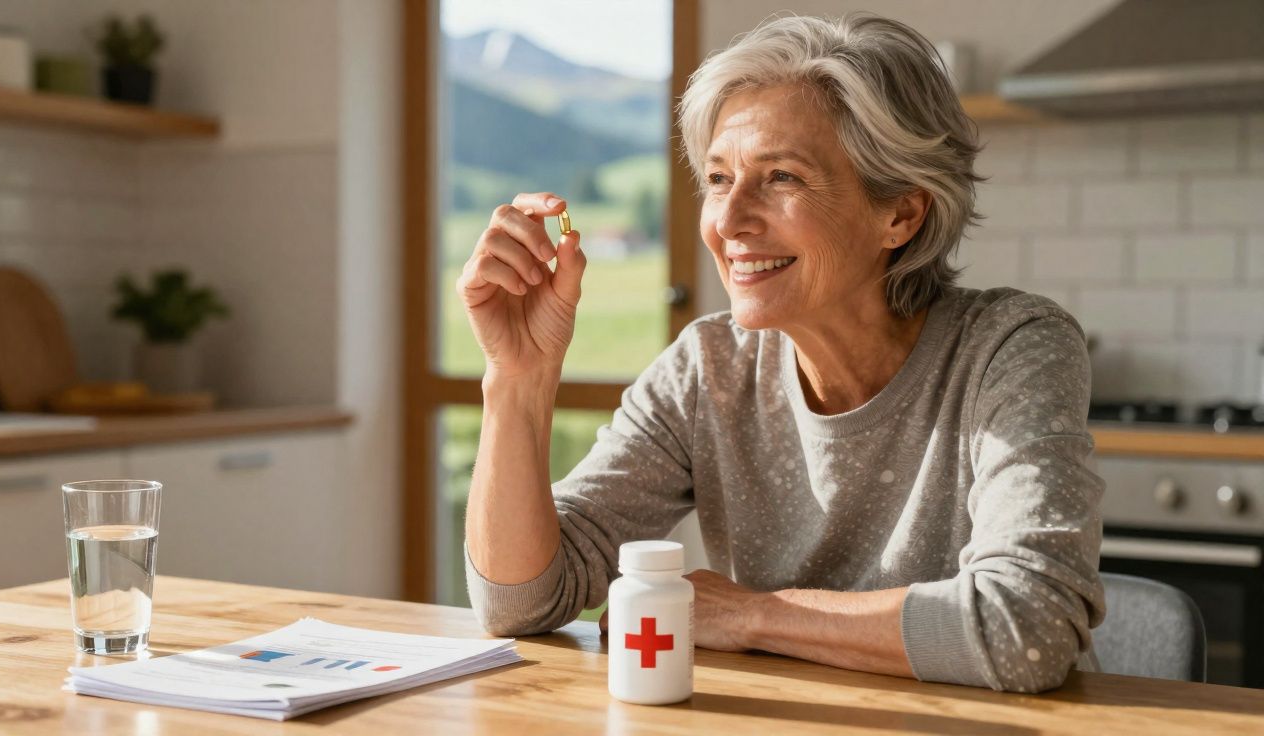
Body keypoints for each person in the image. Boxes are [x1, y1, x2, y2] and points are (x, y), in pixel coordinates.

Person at [455, 12, 1104, 694]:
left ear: (900, 214)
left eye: (782, 178)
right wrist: (517, 378)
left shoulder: (1011, 347)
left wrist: (753, 616)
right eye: (718, 178)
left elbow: (1027, 629)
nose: (729, 221)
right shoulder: (708, 366)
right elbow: (519, 602)